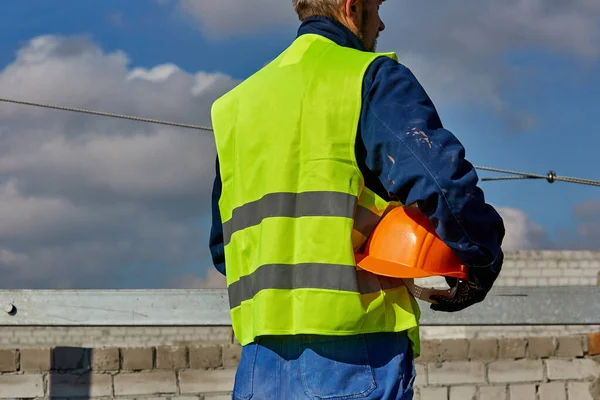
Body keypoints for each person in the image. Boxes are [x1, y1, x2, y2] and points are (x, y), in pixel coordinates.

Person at [209, 0, 505, 398]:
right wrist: (480, 260)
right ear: (352, 7)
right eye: (377, 7)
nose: (381, 23)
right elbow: (442, 183)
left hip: (259, 365)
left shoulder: (235, 106)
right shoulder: (369, 77)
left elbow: (222, 248)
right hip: (353, 355)